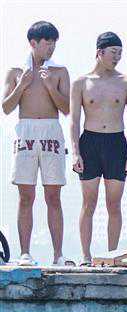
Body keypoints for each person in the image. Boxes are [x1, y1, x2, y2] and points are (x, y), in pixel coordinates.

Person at [2, 21, 71, 266]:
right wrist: (21, 86)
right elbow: (6, 107)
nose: (51, 47)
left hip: (51, 130)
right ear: (33, 43)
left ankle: (58, 255)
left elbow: (66, 108)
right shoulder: (16, 71)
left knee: (54, 195)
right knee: (25, 195)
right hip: (26, 130)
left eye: (54, 42)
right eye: (47, 42)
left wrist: (51, 87)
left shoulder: (60, 71)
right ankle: (25, 253)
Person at [71, 31, 127, 264]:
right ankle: (86, 256)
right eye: (113, 52)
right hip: (90, 142)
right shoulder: (81, 82)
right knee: (88, 202)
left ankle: (112, 256)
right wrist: (76, 152)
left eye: (120, 53)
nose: (117, 57)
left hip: (116, 143)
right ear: (99, 52)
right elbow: (74, 120)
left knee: (114, 204)